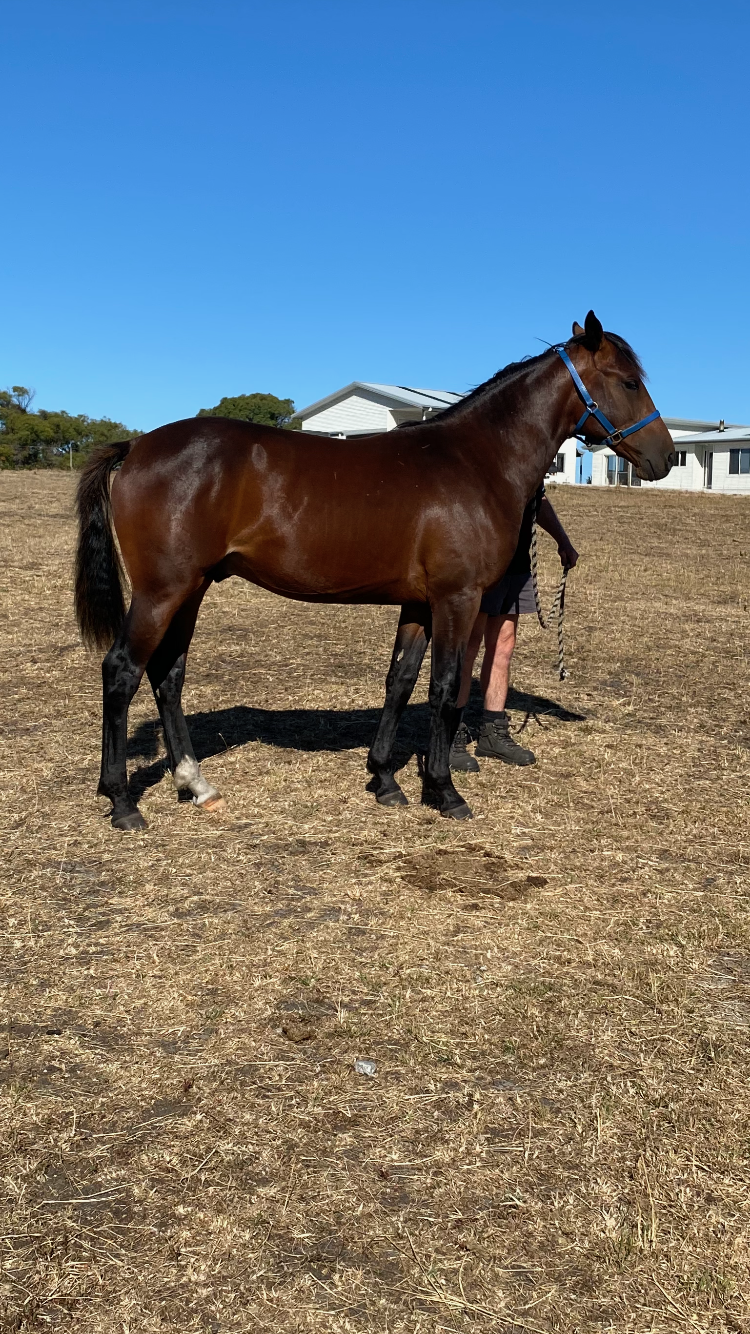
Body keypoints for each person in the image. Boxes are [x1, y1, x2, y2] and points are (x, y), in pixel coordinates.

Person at [449, 484, 579, 771]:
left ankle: (493, 731)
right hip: (484, 558)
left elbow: (537, 498)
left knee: (504, 645)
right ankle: (450, 733)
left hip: (516, 560)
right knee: (470, 644)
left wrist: (562, 540)